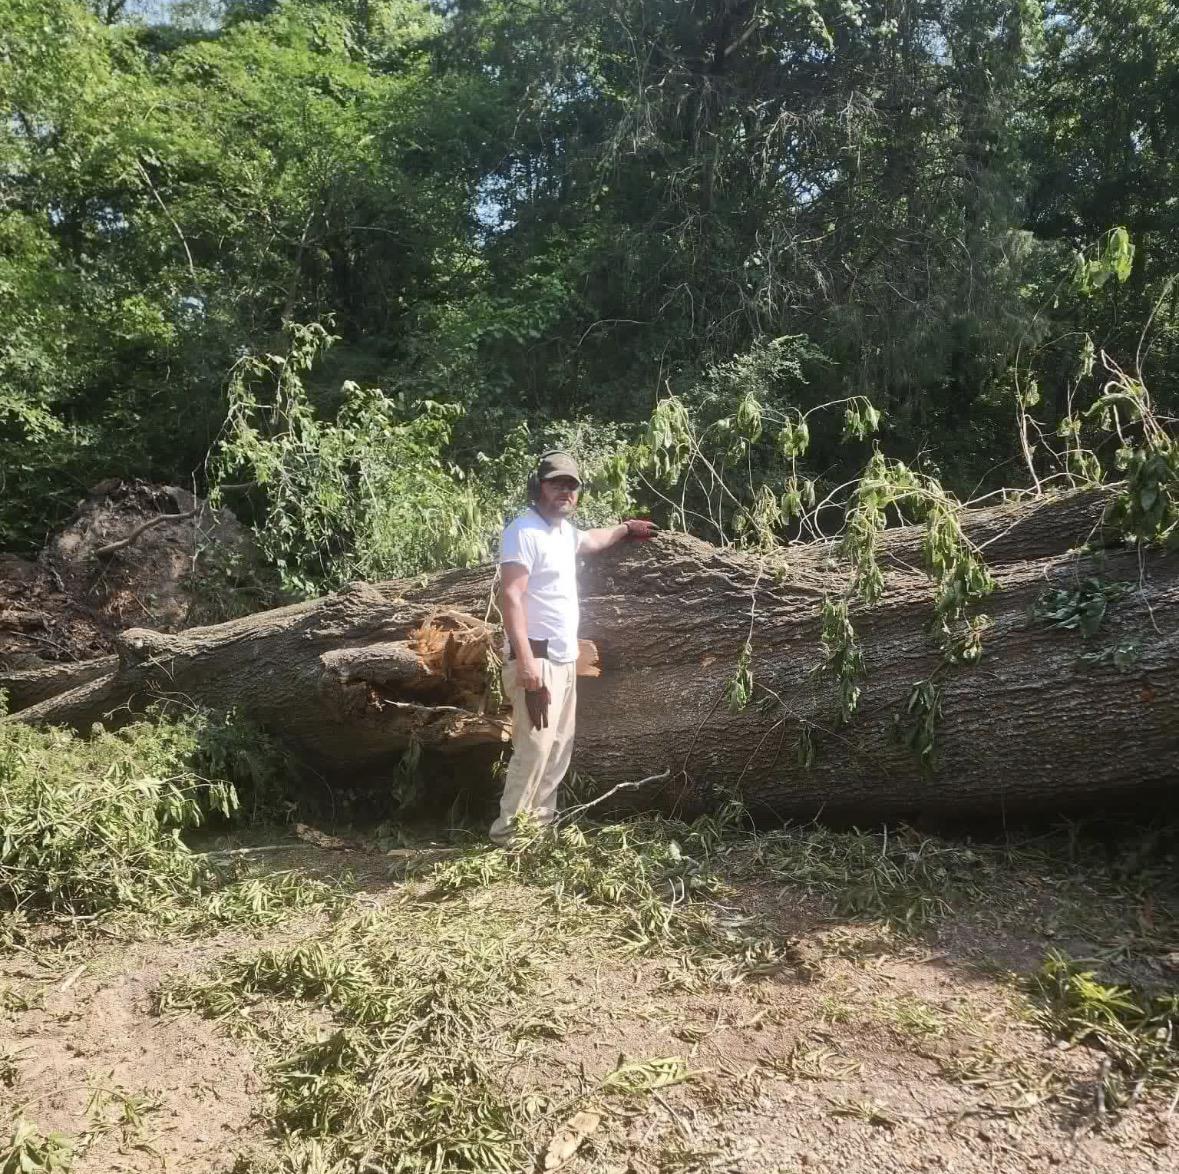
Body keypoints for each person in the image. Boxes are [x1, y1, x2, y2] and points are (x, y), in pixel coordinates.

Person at [490, 450, 658, 845]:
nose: (565, 491)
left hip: (564, 661)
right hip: (538, 659)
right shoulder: (522, 532)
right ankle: (508, 837)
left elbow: (591, 540)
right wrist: (527, 664)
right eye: (556, 484)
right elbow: (511, 598)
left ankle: (538, 830)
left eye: (571, 485)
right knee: (533, 751)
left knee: (558, 750)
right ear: (538, 487)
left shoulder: (564, 533)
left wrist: (622, 529)